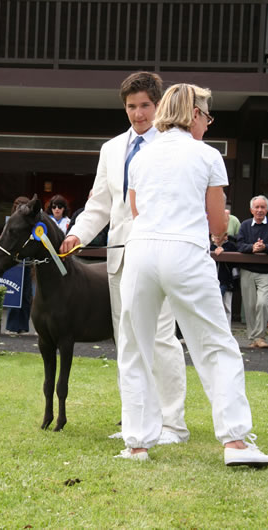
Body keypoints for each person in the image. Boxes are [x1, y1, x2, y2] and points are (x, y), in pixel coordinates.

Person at [114, 82, 268, 467]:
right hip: (185, 250)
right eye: (207, 116)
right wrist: (214, 234)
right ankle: (235, 442)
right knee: (216, 344)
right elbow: (219, 222)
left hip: (142, 250)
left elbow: (136, 212)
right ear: (194, 114)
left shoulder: (141, 157)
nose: (208, 124)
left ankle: (137, 443)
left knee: (135, 346)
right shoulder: (207, 155)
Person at [60, 71, 189, 445]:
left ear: (159, 105)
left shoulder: (173, 145)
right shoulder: (112, 149)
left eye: (145, 105)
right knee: (128, 342)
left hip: (161, 256)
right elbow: (100, 204)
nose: (138, 114)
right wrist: (76, 234)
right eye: (131, 107)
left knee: (162, 338)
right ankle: (137, 421)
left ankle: (172, 425)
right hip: (119, 261)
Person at [236, 195, 268, 348]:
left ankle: (260, 337)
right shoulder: (245, 225)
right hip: (247, 270)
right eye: (257, 207)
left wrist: (264, 248)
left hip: (265, 272)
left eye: (262, 207)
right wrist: (252, 248)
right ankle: (253, 338)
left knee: (262, 303)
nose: (260, 210)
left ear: (266, 209)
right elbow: (239, 245)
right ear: (251, 210)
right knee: (249, 305)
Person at [5, 196, 34, 336]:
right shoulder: (10, 221)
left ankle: (23, 326)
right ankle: (12, 326)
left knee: (26, 294)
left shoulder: (32, 223)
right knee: (14, 293)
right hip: (13, 261)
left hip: (26, 260)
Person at [210, 231, 239, 326]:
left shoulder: (231, 246)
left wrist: (223, 249)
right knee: (212, 307)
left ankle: (227, 330)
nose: (217, 237)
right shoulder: (209, 247)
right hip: (212, 282)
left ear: (226, 236)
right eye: (214, 235)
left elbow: (235, 252)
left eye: (220, 235)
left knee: (226, 307)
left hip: (227, 282)